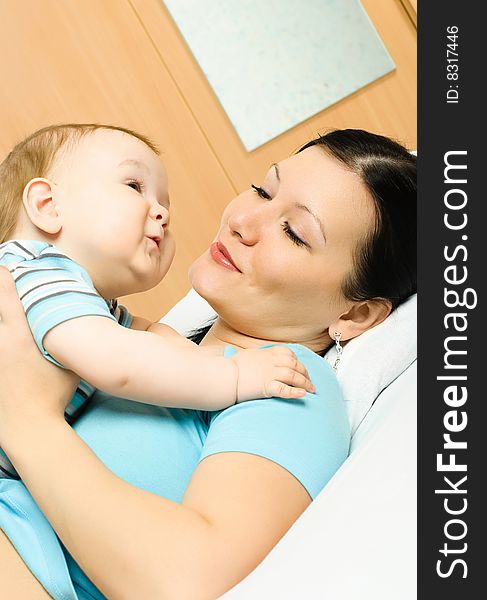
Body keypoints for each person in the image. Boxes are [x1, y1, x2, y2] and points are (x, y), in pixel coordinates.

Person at [0, 128, 416, 599]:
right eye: (263, 190)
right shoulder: (152, 346)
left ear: (354, 313)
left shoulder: (287, 381)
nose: (244, 221)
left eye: (294, 232)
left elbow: (187, 583)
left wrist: (28, 421)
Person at [0, 124, 314, 478]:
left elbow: (140, 335)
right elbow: (118, 361)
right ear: (46, 205)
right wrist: (234, 376)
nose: (163, 214)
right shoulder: (34, 273)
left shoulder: (80, 301)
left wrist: (177, 342)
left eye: (165, 204)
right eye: (135, 187)